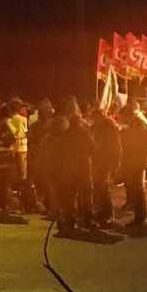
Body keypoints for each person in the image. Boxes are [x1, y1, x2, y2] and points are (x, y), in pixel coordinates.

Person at [52, 98, 95, 236]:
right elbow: (93, 148)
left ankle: (69, 222)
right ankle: (87, 221)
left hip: (68, 169)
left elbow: (58, 150)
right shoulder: (85, 131)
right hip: (83, 167)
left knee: (69, 197)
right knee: (85, 196)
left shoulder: (63, 132)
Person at [118, 103, 147, 229]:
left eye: (121, 117)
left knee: (138, 189)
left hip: (136, 161)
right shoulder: (136, 124)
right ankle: (139, 216)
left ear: (128, 116)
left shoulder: (138, 125)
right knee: (136, 188)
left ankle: (140, 218)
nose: (120, 119)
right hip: (135, 160)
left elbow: (134, 144)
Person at [88, 103, 122, 226]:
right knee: (98, 188)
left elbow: (116, 147)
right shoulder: (96, 127)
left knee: (103, 188)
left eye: (94, 118)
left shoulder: (108, 127)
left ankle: (108, 214)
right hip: (97, 162)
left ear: (99, 117)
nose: (92, 120)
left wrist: (115, 164)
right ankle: (102, 212)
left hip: (106, 162)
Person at [0, 105, 20, 220]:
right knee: (5, 186)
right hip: (4, 160)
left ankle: (0, 208)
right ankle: (6, 208)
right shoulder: (5, 127)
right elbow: (9, 141)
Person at [28, 98, 56, 217]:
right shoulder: (36, 126)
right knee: (43, 184)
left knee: (49, 184)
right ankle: (47, 207)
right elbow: (30, 141)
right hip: (40, 159)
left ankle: (51, 208)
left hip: (50, 159)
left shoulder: (55, 124)